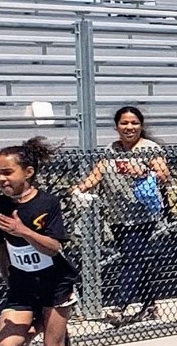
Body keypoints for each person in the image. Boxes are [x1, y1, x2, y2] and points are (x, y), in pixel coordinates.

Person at [0, 137, 94, 346]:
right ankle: (41, 322)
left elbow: (53, 247)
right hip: (23, 286)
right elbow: (2, 241)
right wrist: (4, 269)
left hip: (55, 285)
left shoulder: (47, 203)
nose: (1, 179)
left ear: (28, 172)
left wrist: (23, 230)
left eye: (7, 172)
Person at [72, 106, 171, 325]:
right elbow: (97, 173)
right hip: (117, 215)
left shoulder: (148, 148)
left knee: (131, 258)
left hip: (143, 215)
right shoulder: (112, 150)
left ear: (141, 126)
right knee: (136, 259)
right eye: (124, 123)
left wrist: (146, 173)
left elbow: (164, 175)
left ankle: (120, 305)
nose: (129, 127)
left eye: (134, 123)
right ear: (117, 126)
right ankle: (149, 305)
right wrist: (80, 189)